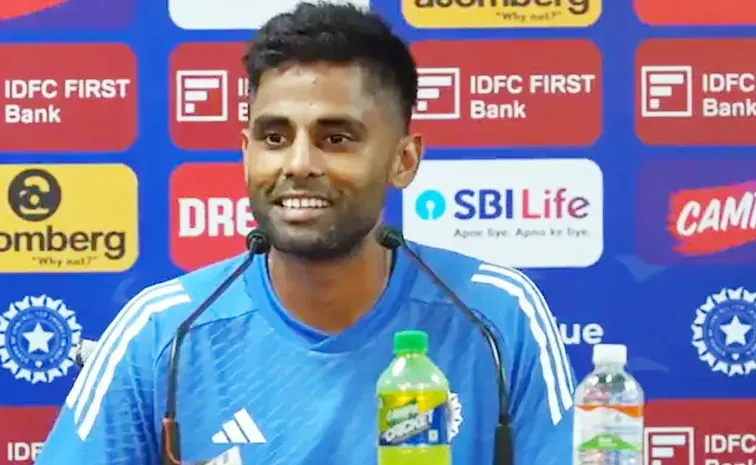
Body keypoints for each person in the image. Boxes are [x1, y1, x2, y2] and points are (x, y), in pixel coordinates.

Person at [35, 2, 576, 464]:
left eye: (336, 138)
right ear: (245, 152)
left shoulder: (498, 317)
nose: (297, 164)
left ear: (403, 160)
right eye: (274, 137)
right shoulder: (160, 334)